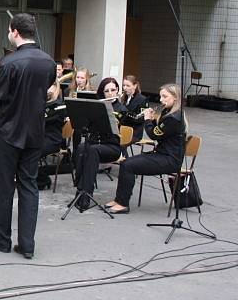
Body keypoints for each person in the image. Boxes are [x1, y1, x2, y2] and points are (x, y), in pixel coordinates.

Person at [0, 13, 55, 260]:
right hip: (35, 132)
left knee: (4, 187)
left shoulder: (9, 63)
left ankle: (2, 240)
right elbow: (44, 91)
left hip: (9, 133)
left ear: (14, 31)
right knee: (29, 186)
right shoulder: (48, 62)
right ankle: (27, 244)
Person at [106, 84, 186, 214]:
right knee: (126, 163)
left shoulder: (174, 118)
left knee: (128, 165)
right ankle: (118, 200)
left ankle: (122, 203)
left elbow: (154, 135)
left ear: (176, 98)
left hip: (170, 159)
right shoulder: (168, 112)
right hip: (162, 154)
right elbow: (161, 135)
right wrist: (153, 120)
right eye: (160, 96)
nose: (161, 100)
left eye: (165, 96)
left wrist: (147, 120)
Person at [73, 78, 130, 210]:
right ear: (102, 93)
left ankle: (86, 194)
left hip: (113, 147)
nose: (110, 93)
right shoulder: (98, 106)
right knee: (82, 148)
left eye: (113, 90)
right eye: (107, 91)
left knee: (92, 150)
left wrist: (118, 120)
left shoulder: (121, 109)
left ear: (117, 91)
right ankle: (80, 190)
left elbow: (128, 130)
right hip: (96, 144)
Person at [37, 80, 67, 190]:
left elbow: (43, 121)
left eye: (52, 86)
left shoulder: (59, 106)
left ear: (56, 88)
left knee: (31, 151)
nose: (48, 88)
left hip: (52, 140)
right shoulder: (41, 102)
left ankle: (42, 179)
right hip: (38, 138)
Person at [121, 75, 147, 143]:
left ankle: (123, 154)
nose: (125, 88)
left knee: (120, 142)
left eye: (128, 86)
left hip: (134, 132)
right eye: (124, 85)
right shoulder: (123, 98)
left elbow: (141, 119)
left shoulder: (142, 99)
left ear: (135, 86)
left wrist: (126, 112)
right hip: (122, 129)